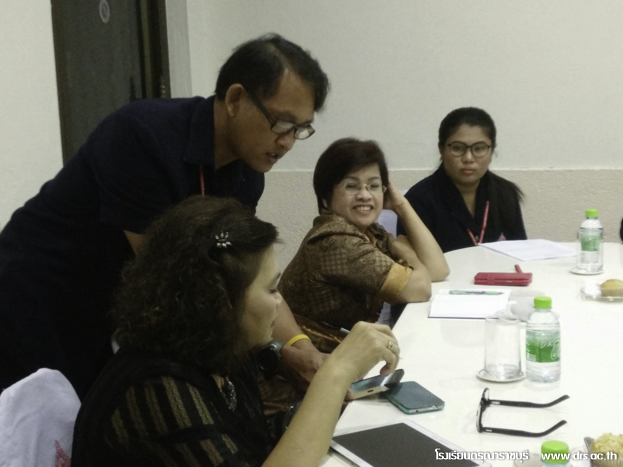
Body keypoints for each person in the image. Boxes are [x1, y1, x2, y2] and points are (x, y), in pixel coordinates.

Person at [0, 33, 329, 398]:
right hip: (35, 296)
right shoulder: (142, 136)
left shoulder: (247, 173)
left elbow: (244, 274)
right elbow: (182, 283)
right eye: (282, 123)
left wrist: (301, 346)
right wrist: (274, 354)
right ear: (236, 99)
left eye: (300, 129)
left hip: (101, 306)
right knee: (44, 420)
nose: (288, 141)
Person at [70, 195, 399, 467]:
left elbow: (244, 439)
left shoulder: (223, 347)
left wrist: (321, 410)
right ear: (220, 303)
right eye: (271, 289)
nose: (279, 302)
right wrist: (335, 374)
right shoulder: (156, 387)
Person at [278, 138, 449, 352]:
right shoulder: (337, 241)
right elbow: (421, 289)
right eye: (351, 186)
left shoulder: (370, 232)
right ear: (325, 198)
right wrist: (408, 254)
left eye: (374, 186)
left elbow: (438, 269)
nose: (365, 195)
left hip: (338, 350)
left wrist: (401, 204)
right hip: (305, 360)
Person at [398, 107, 527, 253]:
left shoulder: (505, 193)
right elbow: (411, 262)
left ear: (491, 151)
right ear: (441, 149)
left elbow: (521, 253)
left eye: (479, 148)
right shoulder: (418, 200)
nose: (468, 158)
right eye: (458, 148)